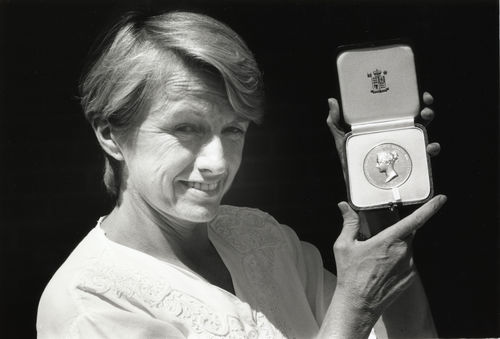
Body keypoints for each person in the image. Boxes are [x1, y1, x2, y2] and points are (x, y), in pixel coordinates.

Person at [36, 10, 446, 339]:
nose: (218, 162)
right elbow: (354, 317)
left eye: (233, 129)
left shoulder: (260, 235)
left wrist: (374, 195)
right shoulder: (91, 305)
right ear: (110, 134)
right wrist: (352, 312)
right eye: (185, 128)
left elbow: (414, 333)